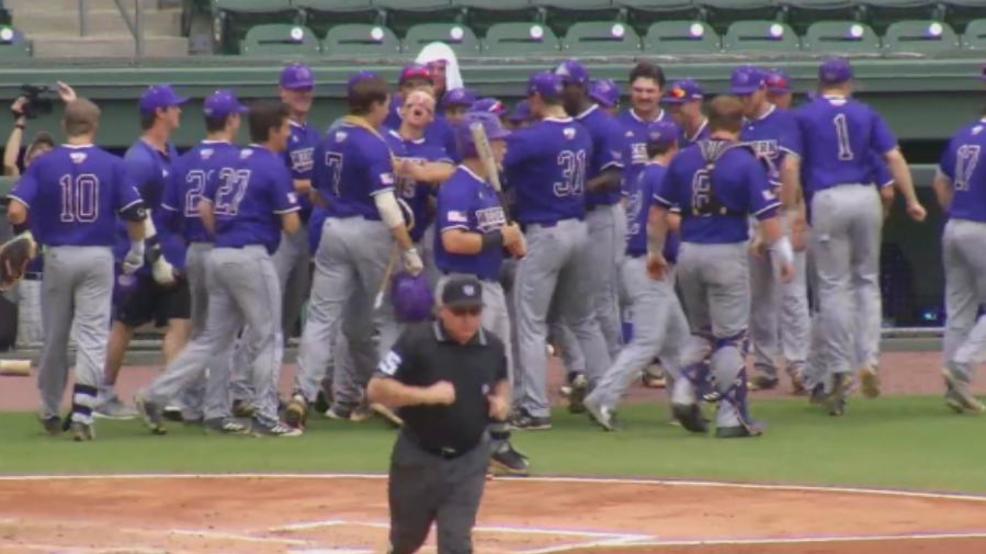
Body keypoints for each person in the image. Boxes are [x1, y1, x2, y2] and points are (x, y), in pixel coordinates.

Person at [136, 101, 302, 437]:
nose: (288, 135)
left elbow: (204, 208)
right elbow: (292, 224)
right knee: (269, 335)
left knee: (212, 338)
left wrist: (224, 233)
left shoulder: (231, 161)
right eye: (285, 128)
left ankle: (159, 396)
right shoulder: (272, 165)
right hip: (250, 254)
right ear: (271, 130)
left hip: (219, 253)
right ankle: (267, 416)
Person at [651, 95, 795, 438]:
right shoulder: (745, 162)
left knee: (700, 332)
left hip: (688, 251)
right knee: (731, 337)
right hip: (726, 252)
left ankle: (684, 391)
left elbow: (657, 214)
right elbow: (769, 218)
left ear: (710, 122)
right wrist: (784, 256)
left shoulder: (684, 157)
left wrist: (655, 253)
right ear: (741, 125)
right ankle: (731, 416)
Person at [6, 98, 147, 440]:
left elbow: (14, 211)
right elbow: (134, 214)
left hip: (58, 254)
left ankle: (51, 408)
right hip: (97, 254)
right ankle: (83, 411)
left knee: (54, 337)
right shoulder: (112, 164)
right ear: (95, 126)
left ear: (64, 127)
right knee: (92, 336)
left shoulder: (45, 164)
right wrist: (138, 248)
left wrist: (27, 236)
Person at [791, 58, 926, 416]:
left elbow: (790, 166)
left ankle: (839, 368)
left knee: (833, 286)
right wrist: (911, 199)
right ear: (849, 83)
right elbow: (893, 157)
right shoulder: (866, 113)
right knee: (866, 281)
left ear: (820, 83)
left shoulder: (804, 115)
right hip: (865, 195)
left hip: (828, 198)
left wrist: (795, 209)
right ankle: (869, 358)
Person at [287, 72, 421, 428]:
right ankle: (390, 391)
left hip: (332, 227)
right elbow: (388, 206)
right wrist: (409, 250)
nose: (387, 110)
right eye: (385, 104)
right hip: (370, 230)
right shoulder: (372, 144)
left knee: (323, 320)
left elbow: (315, 193)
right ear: (376, 105)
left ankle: (302, 393)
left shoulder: (329, 138)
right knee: (391, 315)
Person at [367, 277, 511, 554]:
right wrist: (426, 395)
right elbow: (376, 389)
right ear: (442, 310)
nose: (467, 319)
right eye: (459, 312)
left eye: (474, 311)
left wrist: (502, 400)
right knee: (406, 540)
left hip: (469, 459)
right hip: (417, 458)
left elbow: (501, 378)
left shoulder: (492, 346)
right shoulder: (416, 341)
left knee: (456, 542)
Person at [506, 71, 611, 430]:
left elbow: (504, 170)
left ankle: (534, 409)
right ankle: (605, 398)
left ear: (537, 98)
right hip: (579, 228)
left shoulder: (530, 138)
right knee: (584, 319)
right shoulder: (581, 133)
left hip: (546, 232)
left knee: (531, 324)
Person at [434, 110, 529, 474]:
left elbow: (496, 238)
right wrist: (499, 238)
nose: (503, 146)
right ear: (480, 146)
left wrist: (512, 245)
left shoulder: (488, 185)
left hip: (488, 284)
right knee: (470, 368)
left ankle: (495, 438)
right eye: (498, 140)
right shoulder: (458, 186)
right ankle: (467, 443)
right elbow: (453, 240)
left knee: (495, 362)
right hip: (464, 288)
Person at [584, 120, 689, 430]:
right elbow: (669, 220)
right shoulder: (664, 176)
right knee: (647, 342)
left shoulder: (643, 175)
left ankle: (683, 406)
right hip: (649, 264)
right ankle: (603, 397)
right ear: (674, 147)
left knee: (678, 341)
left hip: (641, 262)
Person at [97, 84, 191, 420]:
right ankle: (103, 392)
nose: (180, 111)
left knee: (180, 322)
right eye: (174, 107)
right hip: (140, 257)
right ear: (159, 113)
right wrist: (152, 258)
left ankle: (169, 394)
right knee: (125, 323)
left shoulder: (169, 151)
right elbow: (133, 213)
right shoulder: (139, 159)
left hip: (171, 250)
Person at [158, 89, 250, 434]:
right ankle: (216, 408)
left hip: (194, 250)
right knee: (223, 334)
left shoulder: (184, 160)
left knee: (201, 332)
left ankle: (192, 402)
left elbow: (166, 219)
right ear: (231, 120)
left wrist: (177, 255)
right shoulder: (239, 159)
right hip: (226, 249)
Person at [554, 59, 626, 410]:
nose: (559, 91)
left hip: (600, 216)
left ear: (580, 86)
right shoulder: (560, 122)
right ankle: (588, 375)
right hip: (573, 220)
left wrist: (572, 190)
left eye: (564, 84)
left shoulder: (603, 124)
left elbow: (613, 177)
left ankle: (613, 383)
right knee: (574, 305)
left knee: (602, 301)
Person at [732, 65, 810, 393]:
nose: (743, 100)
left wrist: (793, 213)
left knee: (792, 292)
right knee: (757, 296)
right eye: (738, 95)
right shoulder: (736, 126)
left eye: (748, 94)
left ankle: (800, 366)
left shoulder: (785, 120)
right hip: (749, 216)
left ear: (763, 91)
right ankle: (765, 366)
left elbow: (792, 168)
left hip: (780, 214)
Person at [934, 111, 986, 414]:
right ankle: (962, 363)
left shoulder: (964, 133)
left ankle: (956, 390)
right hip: (982, 227)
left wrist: (957, 214)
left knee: (959, 311)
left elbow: (942, 184)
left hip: (955, 226)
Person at [663, 79, 709, 148]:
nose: (674, 109)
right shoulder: (674, 135)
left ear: (697, 103)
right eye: (671, 104)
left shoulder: (712, 134)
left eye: (679, 104)